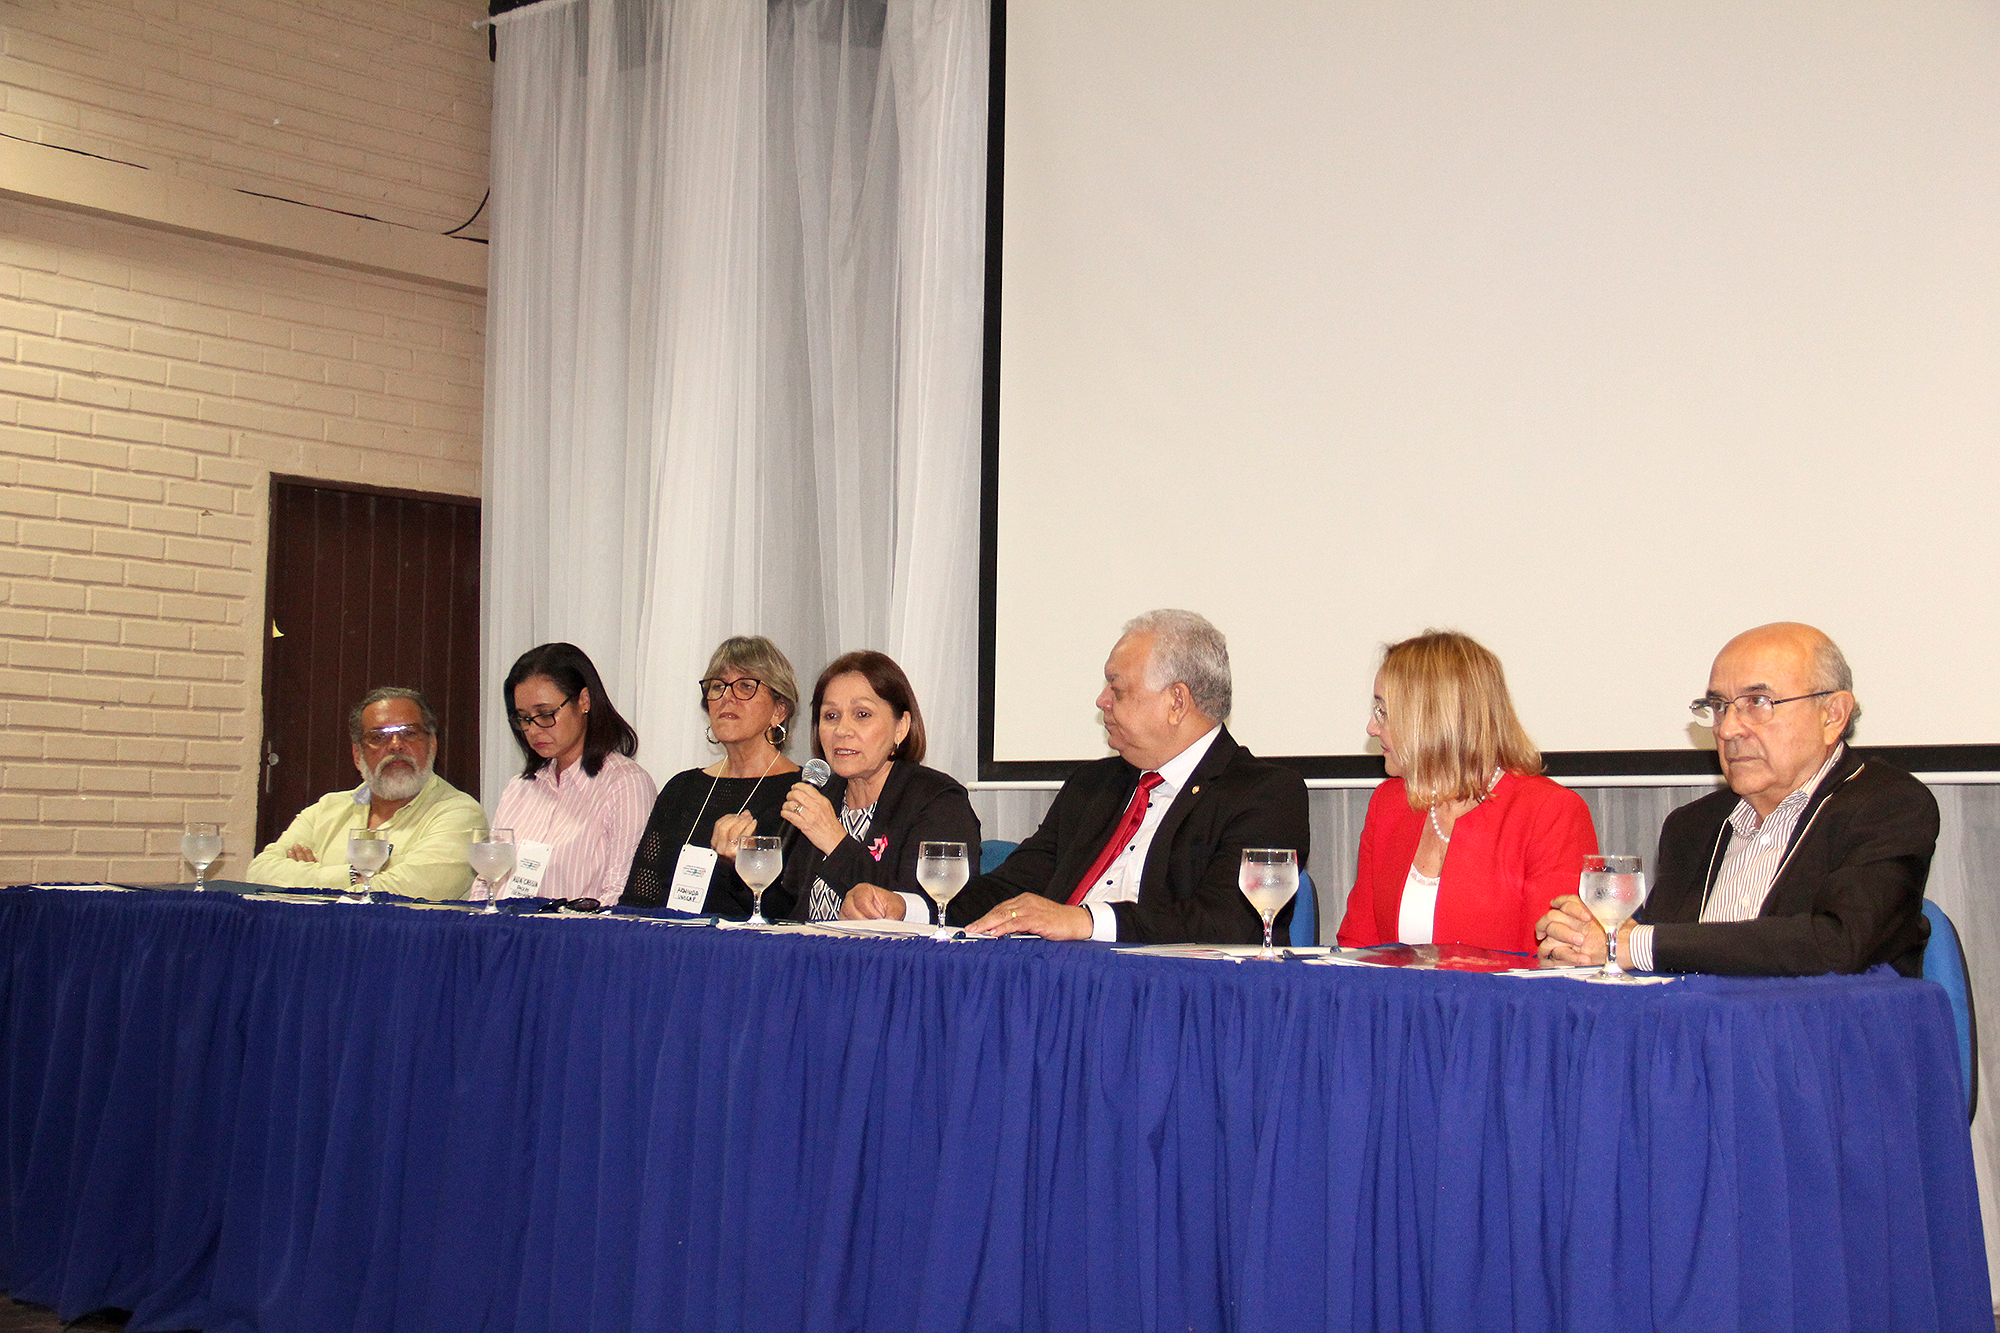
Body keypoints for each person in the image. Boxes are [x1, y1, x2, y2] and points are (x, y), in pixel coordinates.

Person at [1535, 622, 1937, 976]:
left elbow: (1839, 943)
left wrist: (1635, 943)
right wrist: (1590, 941)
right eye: (1719, 707)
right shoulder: (1691, 827)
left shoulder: (1887, 806)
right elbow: (1661, 954)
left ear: (1832, 714)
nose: (1727, 729)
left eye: (1757, 703)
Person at [947, 609, 1309, 944]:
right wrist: (920, 908)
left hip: (1165, 985)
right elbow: (1011, 888)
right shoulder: (1092, 785)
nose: (1101, 700)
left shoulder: (1264, 793)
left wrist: (1086, 922)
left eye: (1117, 689)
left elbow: (1227, 922)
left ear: (1176, 702)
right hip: (1058, 975)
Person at [1336, 631, 1598, 955]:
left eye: (1383, 713)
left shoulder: (1550, 812)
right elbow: (1358, 947)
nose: (1372, 728)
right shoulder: (1389, 803)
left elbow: (1552, 959)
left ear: (1432, 719)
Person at [769, 651, 980, 923]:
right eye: (831, 716)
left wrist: (835, 841)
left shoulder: (938, 801)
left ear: (901, 727)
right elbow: (784, 909)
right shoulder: (823, 795)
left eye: (862, 714)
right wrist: (735, 867)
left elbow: (927, 910)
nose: (842, 730)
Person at [622, 636, 802, 915]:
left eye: (745, 686)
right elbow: (638, 902)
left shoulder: (801, 793)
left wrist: (739, 866)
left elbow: (794, 914)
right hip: (669, 938)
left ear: (779, 710)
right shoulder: (680, 789)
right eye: (718, 686)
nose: (727, 697)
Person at [248, 686, 485, 898]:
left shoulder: (460, 813)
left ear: (432, 745)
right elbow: (259, 873)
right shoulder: (326, 809)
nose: (395, 745)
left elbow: (413, 892)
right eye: (379, 737)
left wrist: (309, 877)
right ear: (357, 755)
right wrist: (353, 875)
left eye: (409, 733)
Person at [488, 643, 656, 905]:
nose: (533, 730)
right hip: (506, 928)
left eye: (545, 714)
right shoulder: (519, 788)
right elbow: (487, 881)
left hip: (577, 930)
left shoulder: (625, 784)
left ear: (584, 701)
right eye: (523, 718)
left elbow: (620, 894)